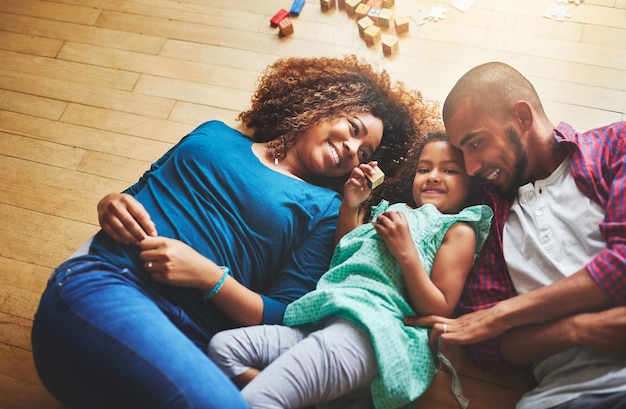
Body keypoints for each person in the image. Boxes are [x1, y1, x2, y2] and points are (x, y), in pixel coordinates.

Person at [30, 55, 443, 409]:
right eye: (353, 129)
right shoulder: (212, 134)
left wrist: (210, 277)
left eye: (364, 153)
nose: (353, 150)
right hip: (114, 284)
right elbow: (141, 191)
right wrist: (110, 204)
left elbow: (285, 313)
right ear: (323, 104)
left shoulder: (325, 210)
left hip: (189, 343)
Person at [207, 132, 493, 409]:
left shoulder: (457, 227)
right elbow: (345, 254)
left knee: (260, 400)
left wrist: (406, 253)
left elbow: (439, 307)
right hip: (327, 319)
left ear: (471, 183)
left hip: (372, 333)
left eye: (450, 171)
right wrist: (351, 205)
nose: (432, 176)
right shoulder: (393, 210)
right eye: (424, 168)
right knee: (222, 349)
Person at [409, 62, 626, 409]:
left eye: (475, 143)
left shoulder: (614, 146)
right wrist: (577, 330)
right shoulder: (488, 220)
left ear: (522, 117)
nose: (471, 167)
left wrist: (505, 314)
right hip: (559, 398)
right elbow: (486, 346)